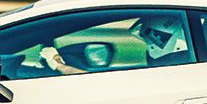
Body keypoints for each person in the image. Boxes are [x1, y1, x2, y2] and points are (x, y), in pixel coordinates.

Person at [38, 13, 190, 74]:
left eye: (148, 43)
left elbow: (94, 85)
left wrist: (57, 63)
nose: (146, 51)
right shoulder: (181, 68)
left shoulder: (166, 74)